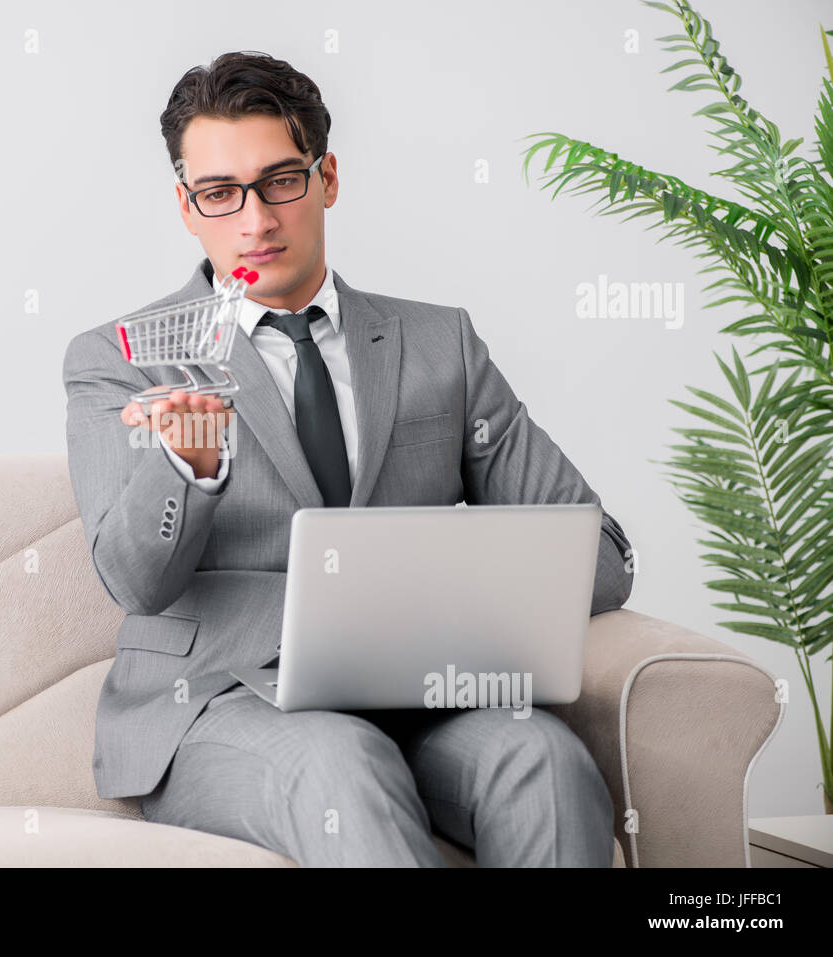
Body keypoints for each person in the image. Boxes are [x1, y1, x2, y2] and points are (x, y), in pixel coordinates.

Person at [62, 51, 634, 867]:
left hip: (426, 695)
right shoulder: (121, 359)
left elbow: (598, 558)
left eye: (281, 181)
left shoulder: (442, 346)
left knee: (542, 759)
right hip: (221, 700)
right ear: (187, 207)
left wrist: (445, 592)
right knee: (341, 764)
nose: (254, 220)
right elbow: (135, 581)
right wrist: (185, 469)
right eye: (220, 193)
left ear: (327, 178)